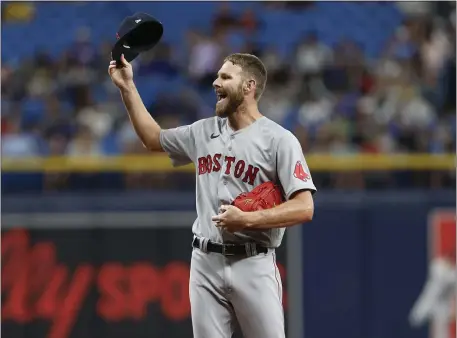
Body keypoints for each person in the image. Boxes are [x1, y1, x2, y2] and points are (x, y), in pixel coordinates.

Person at [108, 52, 316, 338]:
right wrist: (127, 88)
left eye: (225, 77)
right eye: (217, 76)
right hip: (205, 261)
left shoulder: (279, 140)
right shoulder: (203, 131)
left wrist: (249, 219)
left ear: (249, 86)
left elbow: (305, 207)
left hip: (253, 263)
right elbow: (152, 138)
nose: (216, 82)